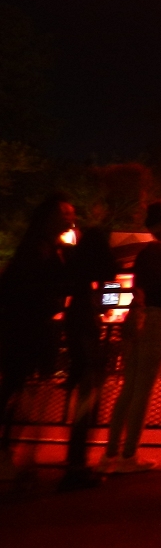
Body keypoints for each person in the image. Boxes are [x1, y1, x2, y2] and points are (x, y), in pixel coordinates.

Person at [100, 203, 161, 473]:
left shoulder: (144, 253)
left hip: (138, 317)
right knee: (144, 390)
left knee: (128, 388)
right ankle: (129, 455)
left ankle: (110, 454)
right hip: (158, 320)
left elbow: (134, 286)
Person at [0, 195, 75, 481]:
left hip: (26, 328)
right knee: (17, 390)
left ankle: (14, 455)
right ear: (49, 218)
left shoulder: (45, 247)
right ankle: (10, 455)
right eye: (65, 213)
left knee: (17, 389)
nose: (71, 218)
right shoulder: (40, 250)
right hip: (26, 329)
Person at [58, 225, 119, 490]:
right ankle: (77, 463)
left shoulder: (74, 261)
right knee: (90, 391)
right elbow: (110, 297)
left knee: (82, 388)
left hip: (73, 322)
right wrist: (105, 307)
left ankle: (75, 460)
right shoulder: (105, 265)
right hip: (89, 327)